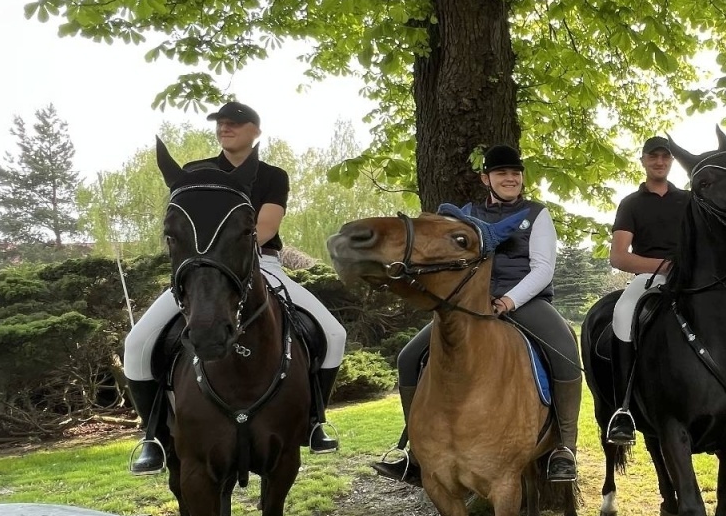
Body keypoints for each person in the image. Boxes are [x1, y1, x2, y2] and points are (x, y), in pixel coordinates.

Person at [122, 101, 348, 474]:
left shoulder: (272, 176)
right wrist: (206, 260)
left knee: (334, 334)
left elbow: (267, 227)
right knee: (137, 343)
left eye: (235, 123)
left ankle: (314, 422)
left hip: (261, 263)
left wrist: (233, 252)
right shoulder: (197, 173)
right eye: (220, 123)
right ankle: (153, 437)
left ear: (255, 131)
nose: (225, 128)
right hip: (202, 271)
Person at [373, 144, 584, 485]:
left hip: (524, 302)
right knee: (408, 357)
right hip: (470, 305)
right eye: (502, 173)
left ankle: (565, 447)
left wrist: (507, 302)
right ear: (486, 178)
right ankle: (415, 453)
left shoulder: (537, 213)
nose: (510, 179)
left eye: (515, 173)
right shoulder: (465, 214)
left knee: (565, 351)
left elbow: (543, 269)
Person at [603, 137, 692, 444]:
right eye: (653, 157)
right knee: (623, 313)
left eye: (665, 157)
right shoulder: (631, 204)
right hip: (651, 279)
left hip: (694, 280)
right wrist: (665, 266)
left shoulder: (690, 201)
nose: (659, 162)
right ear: (643, 160)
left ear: (671, 162)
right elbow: (619, 256)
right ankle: (624, 409)